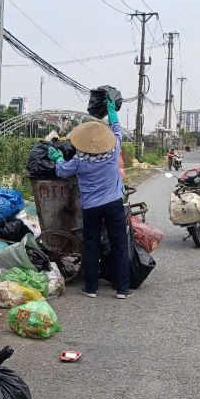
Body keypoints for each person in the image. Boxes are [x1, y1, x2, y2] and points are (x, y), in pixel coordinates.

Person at [49, 99, 130, 299]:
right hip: (114, 204)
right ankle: (122, 289)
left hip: (91, 207)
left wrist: (57, 157)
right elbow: (117, 129)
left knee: (91, 245)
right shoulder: (114, 149)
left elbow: (61, 171)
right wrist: (111, 111)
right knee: (119, 244)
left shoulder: (79, 160)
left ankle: (91, 288)